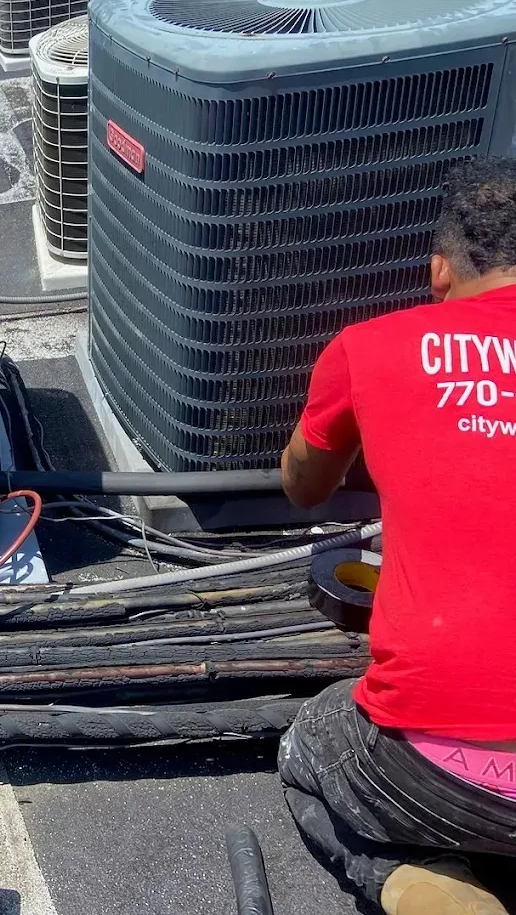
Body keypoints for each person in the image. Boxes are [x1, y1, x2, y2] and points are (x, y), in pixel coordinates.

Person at [278, 155, 516, 915]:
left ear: (439, 270)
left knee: (309, 747)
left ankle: (420, 884)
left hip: (444, 775)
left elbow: (304, 485)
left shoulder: (372, 345)